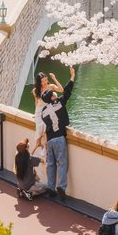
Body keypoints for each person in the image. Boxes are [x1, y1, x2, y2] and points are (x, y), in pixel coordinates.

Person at [38, 65, 74, 199]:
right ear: (52, 98)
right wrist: (72, 76)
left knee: (51, 165)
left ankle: (50, 187)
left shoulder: (43, 113)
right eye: (54, 93)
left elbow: (47, 125)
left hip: (50, 140)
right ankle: (62, 187)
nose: (55, 93)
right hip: (59, 138)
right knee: (62, 163)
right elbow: (67, 92)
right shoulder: (59, 103)